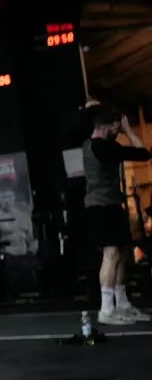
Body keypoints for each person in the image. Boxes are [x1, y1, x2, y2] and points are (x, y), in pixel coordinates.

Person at [83, 105, 151, 324]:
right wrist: (130, 132)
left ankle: (122, 304)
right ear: (105, 127)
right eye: (115, 127)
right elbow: (144, 153)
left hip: (112, 205)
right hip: (100, 208)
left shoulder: (102, 145)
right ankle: (106, 310)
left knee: (122, 254)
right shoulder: (102, 148)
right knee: (111, 254)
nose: (118, 130)